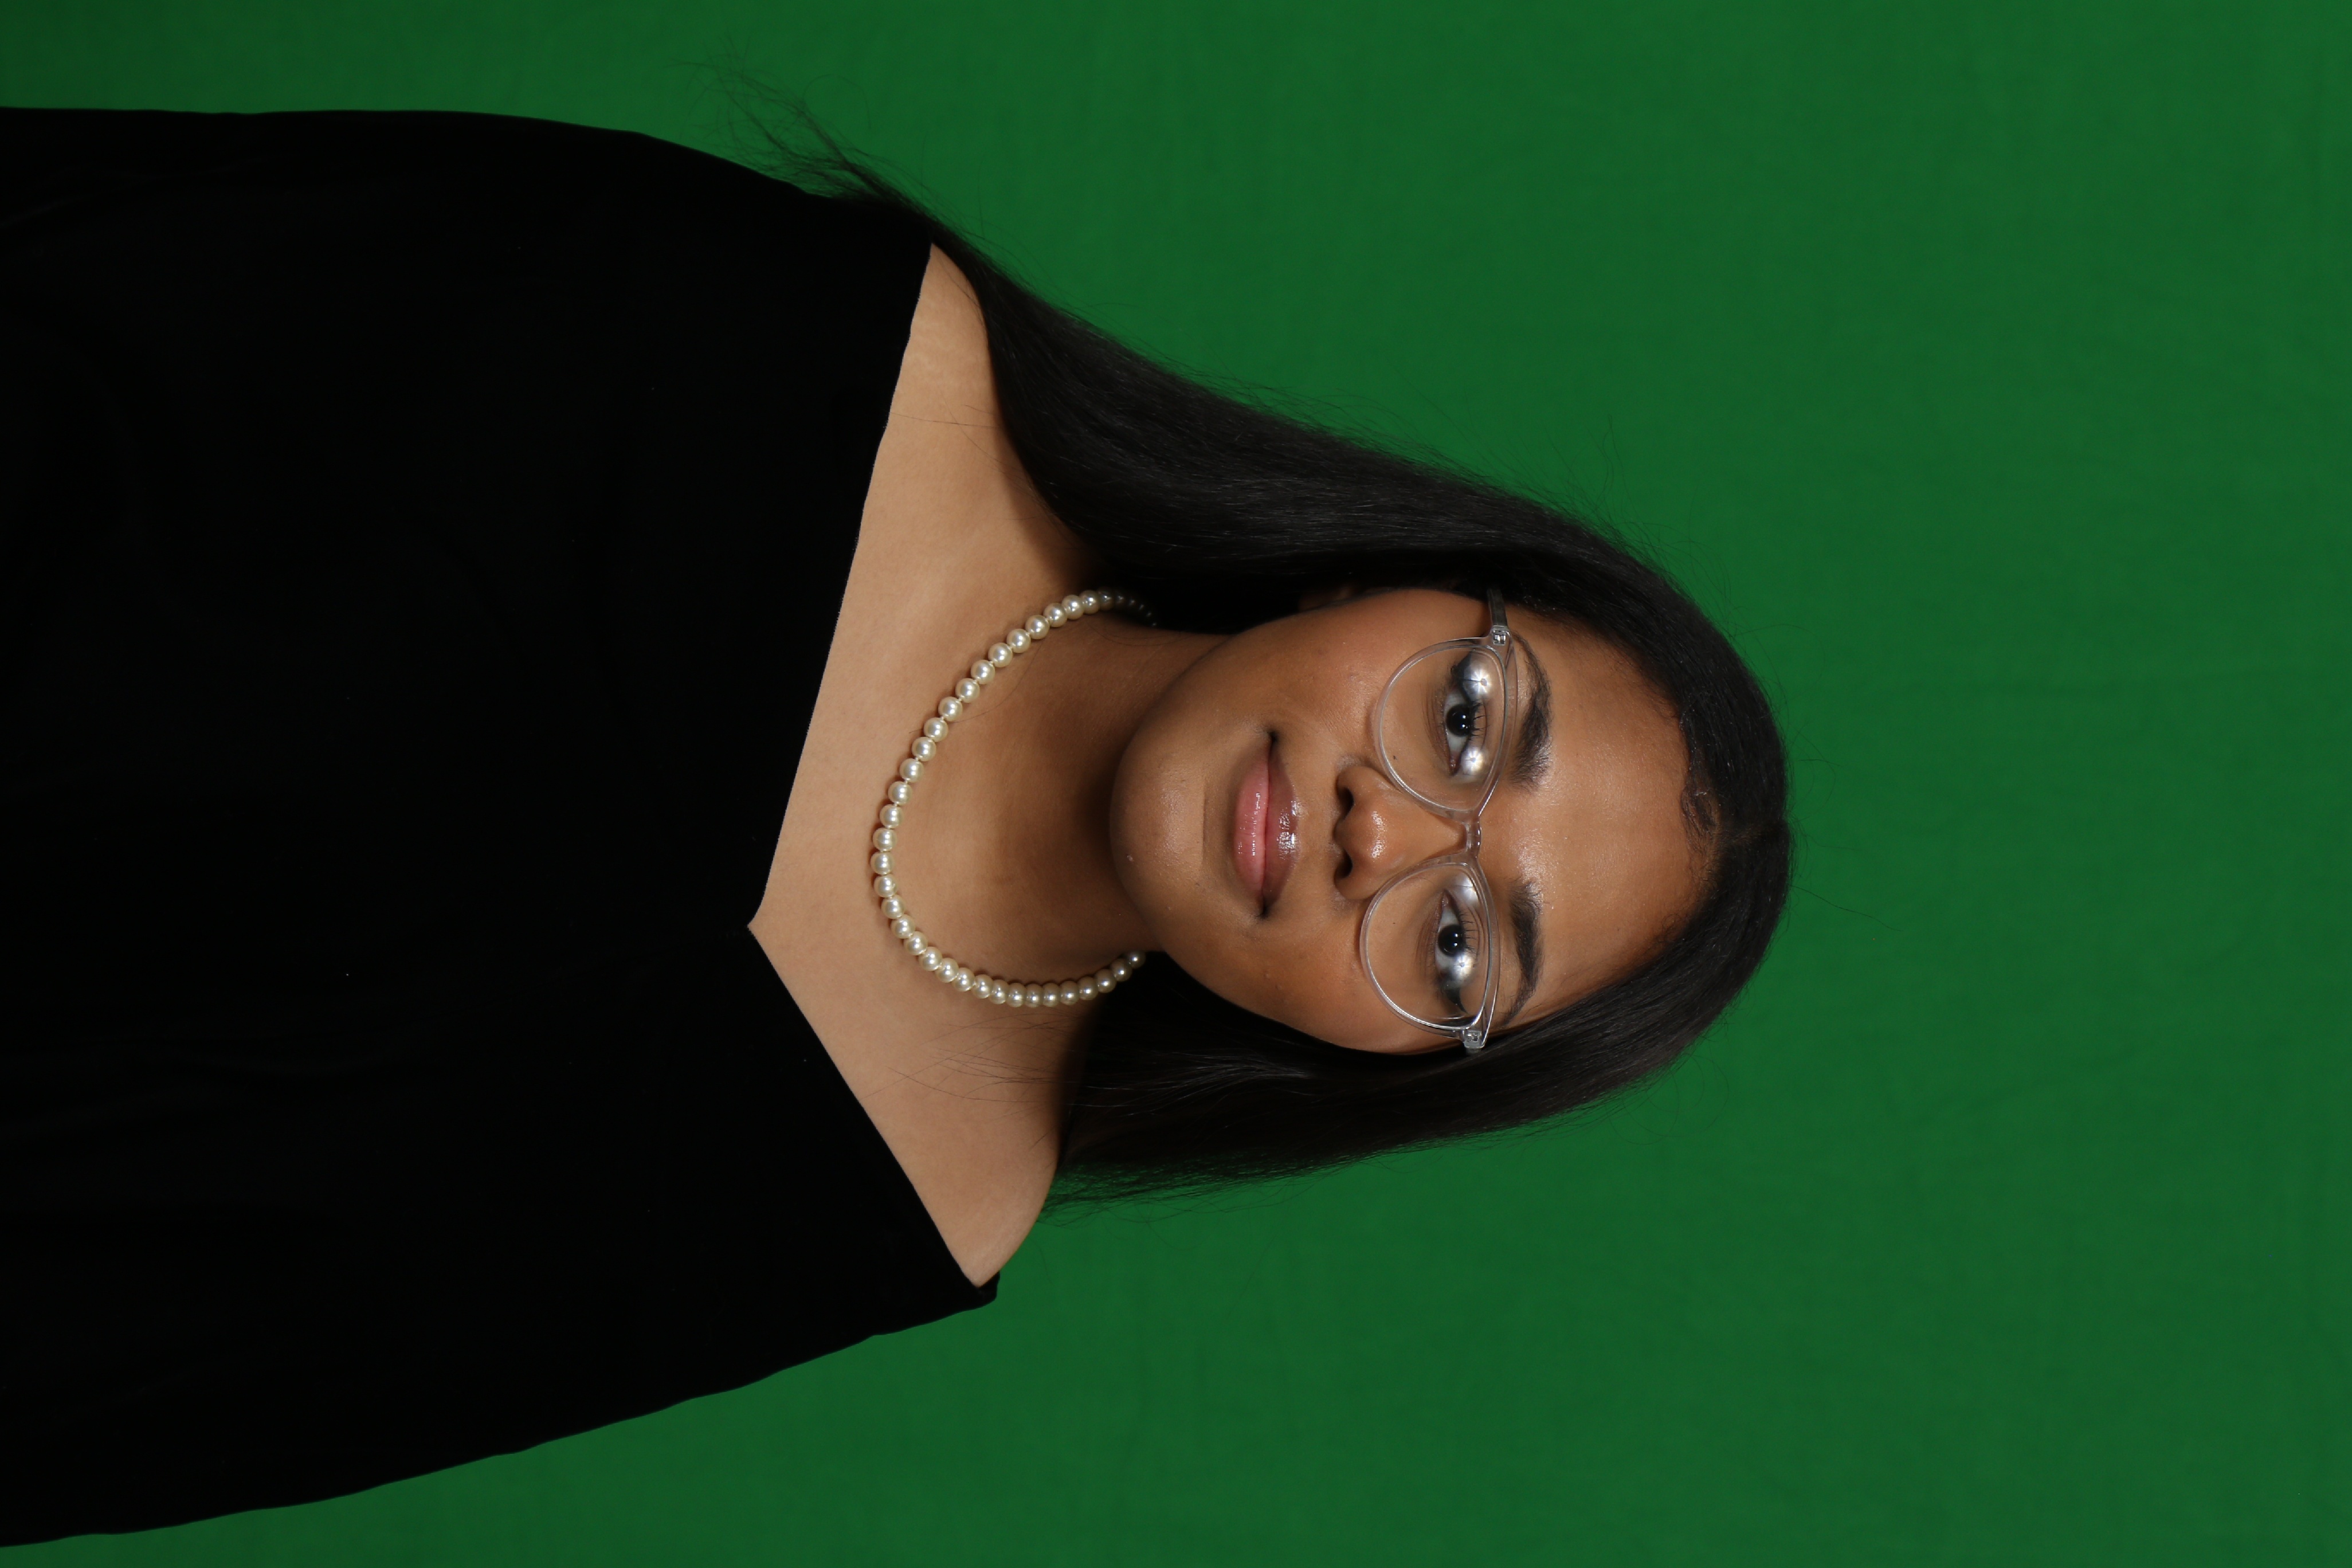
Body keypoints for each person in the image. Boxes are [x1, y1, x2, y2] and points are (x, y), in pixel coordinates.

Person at [0, 104, 1789, 1543]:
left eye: (1461, 947)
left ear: (1383, 1060)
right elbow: (116, 270)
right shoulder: (826, 350)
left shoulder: (921, 1202)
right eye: (1467, 721)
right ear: (1392, 573)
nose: (1379, 839)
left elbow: (136, 1372)